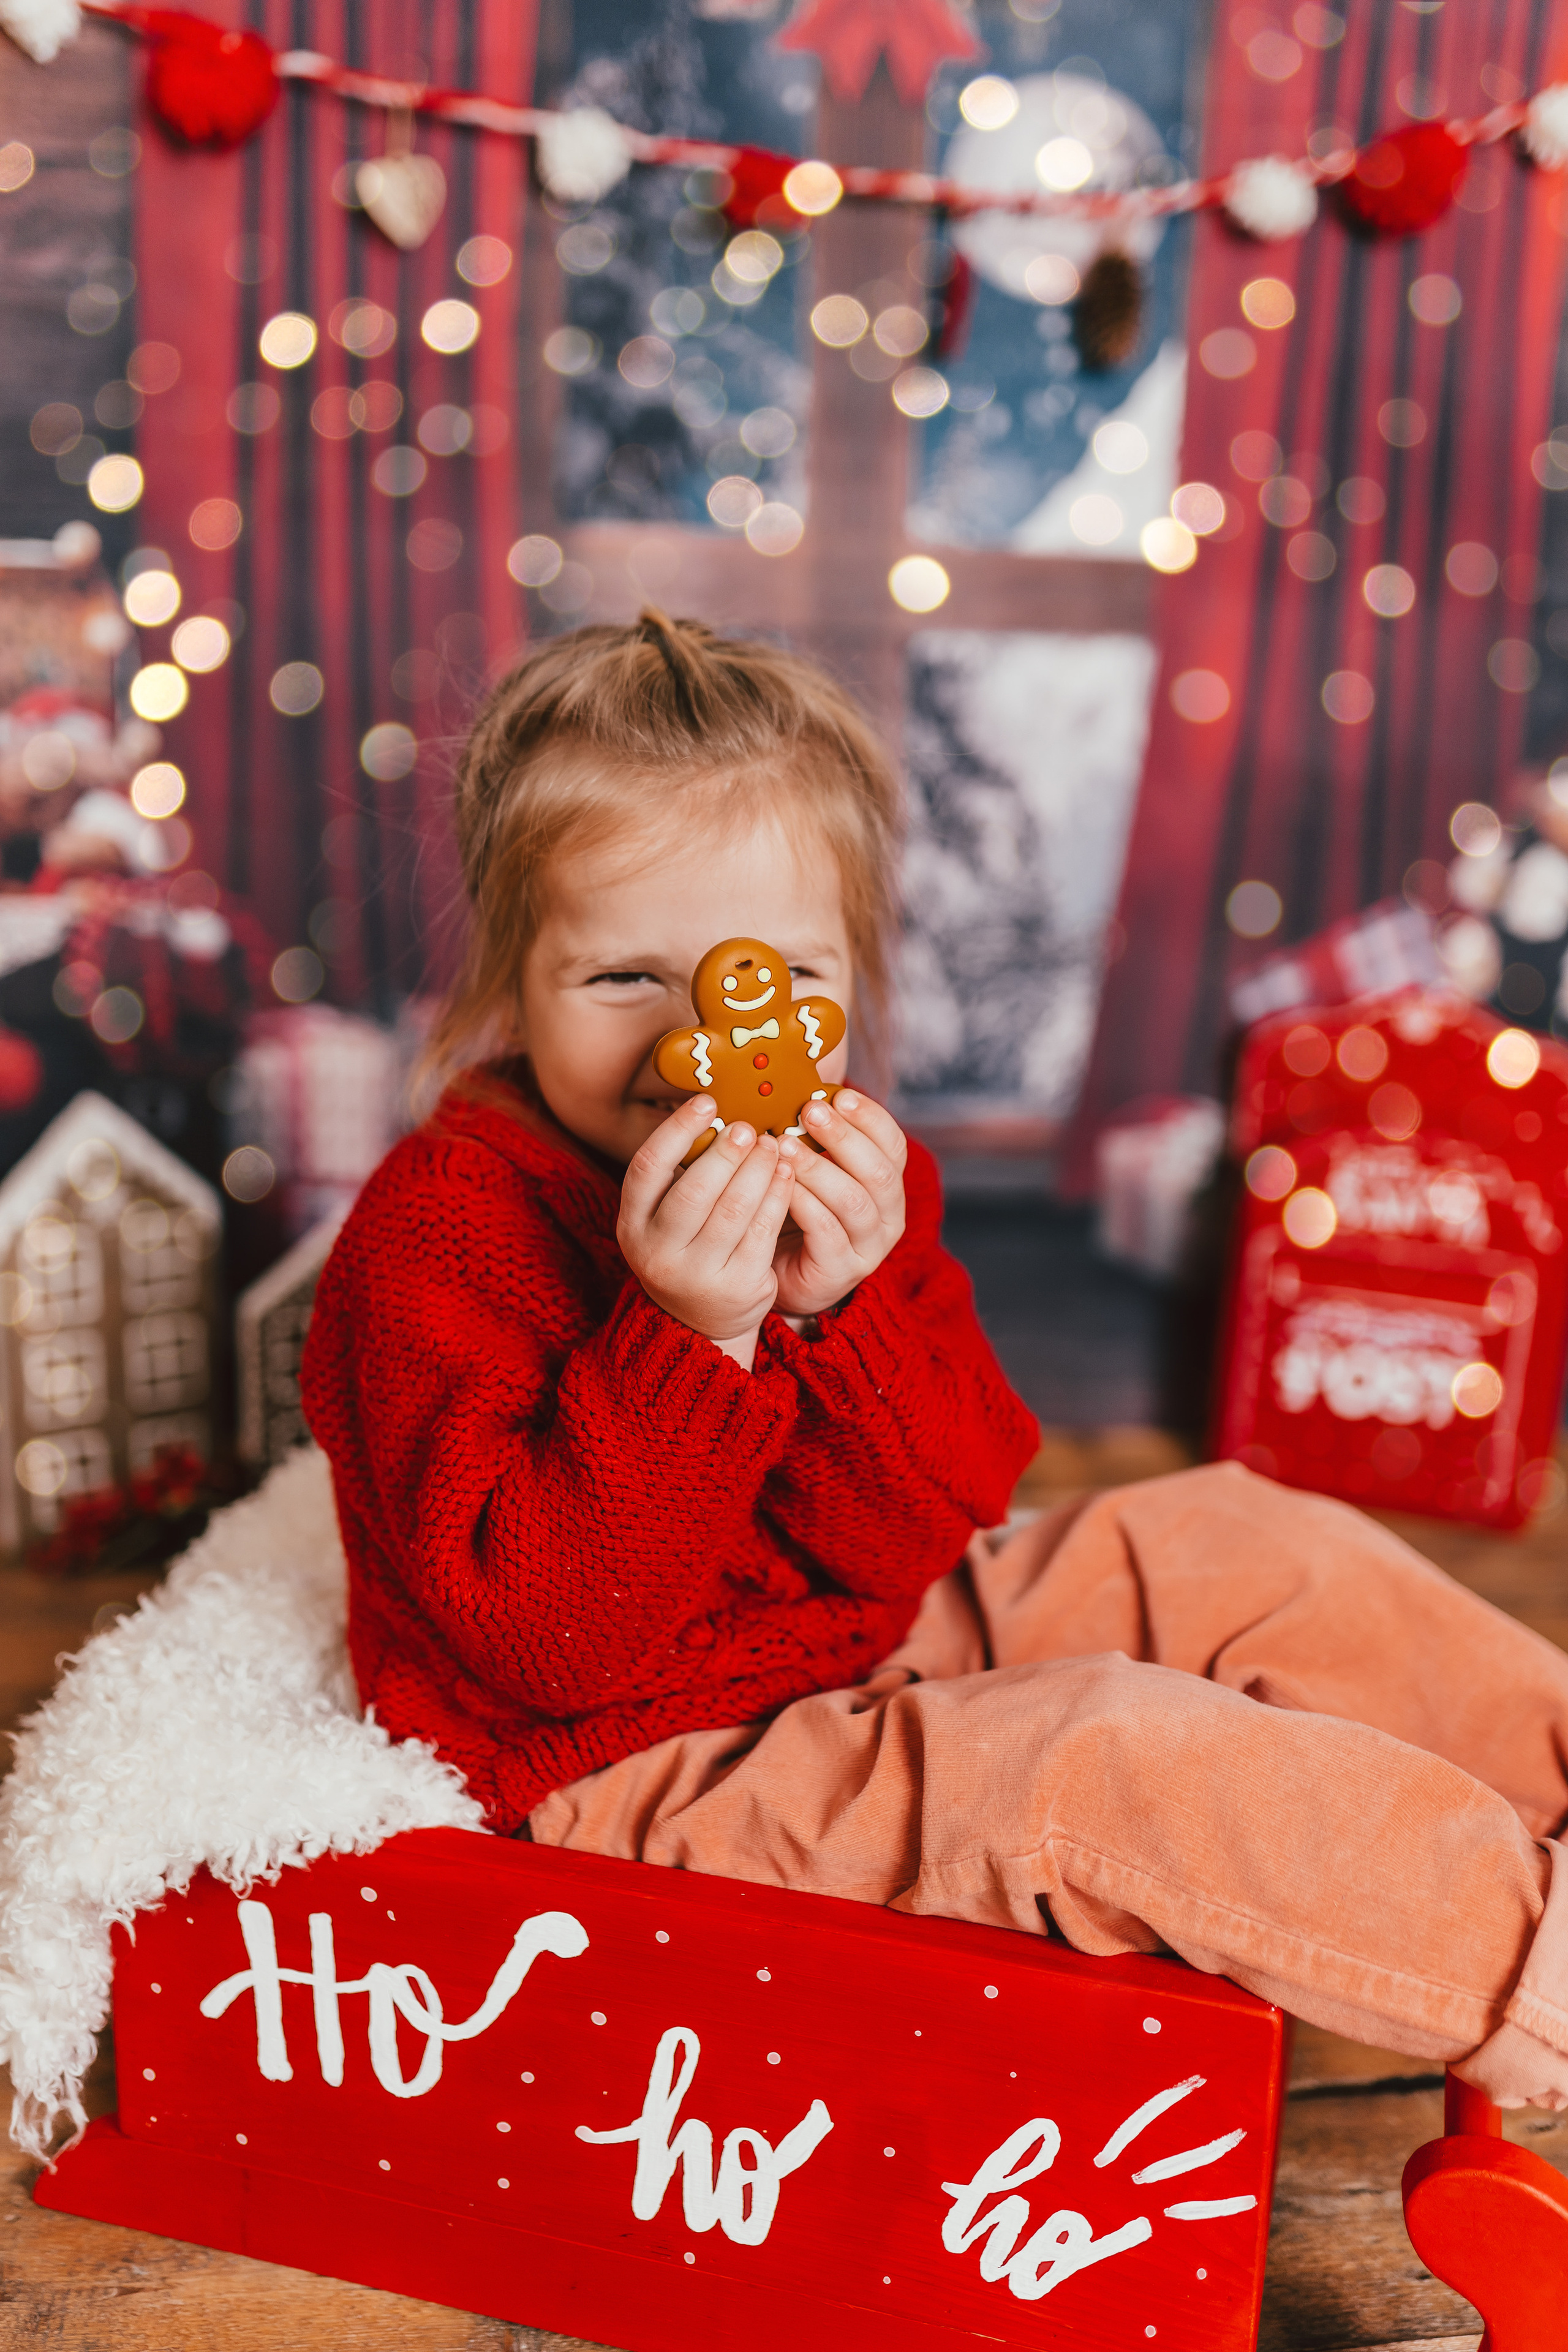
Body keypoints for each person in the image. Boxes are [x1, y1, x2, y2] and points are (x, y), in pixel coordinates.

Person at [302, 610, 1568, 2113]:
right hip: (638, 1768)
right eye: (625, 981)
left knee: (1234, 1535)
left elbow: (949, 1512)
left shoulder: (847, 1174)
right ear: (512, 980)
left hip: (864, 1620)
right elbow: (546, 1644)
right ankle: (1533, 1975)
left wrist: (848, 1314)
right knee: (1100, 1762)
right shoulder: (436, 1235)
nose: (702, 1039)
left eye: (770, 981)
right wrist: (687, 1336)